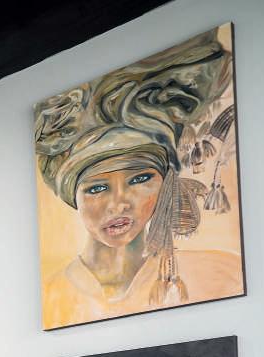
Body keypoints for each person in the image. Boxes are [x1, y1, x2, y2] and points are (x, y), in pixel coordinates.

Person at [34, 26, 242, 329]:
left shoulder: (222, 274)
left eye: (139, 179)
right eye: (98, 187)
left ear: (165, 182)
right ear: (72, 196)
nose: (119, 204)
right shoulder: (50, 296)